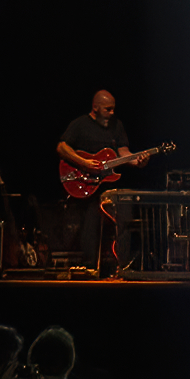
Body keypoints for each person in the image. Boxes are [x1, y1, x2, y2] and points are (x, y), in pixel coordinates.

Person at [57, 91, 152, 271]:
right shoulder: (80, 124)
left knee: (125, 217)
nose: (111, 113)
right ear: (95, 108)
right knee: (91, 221)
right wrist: (84, 162)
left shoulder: (117, 126)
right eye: (107, 109)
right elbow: (62, 147)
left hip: (110, 186)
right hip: (89, 186)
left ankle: (123, 266)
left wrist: (137, 161)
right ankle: (90, 266)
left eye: (113, 109)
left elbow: (123, 152)